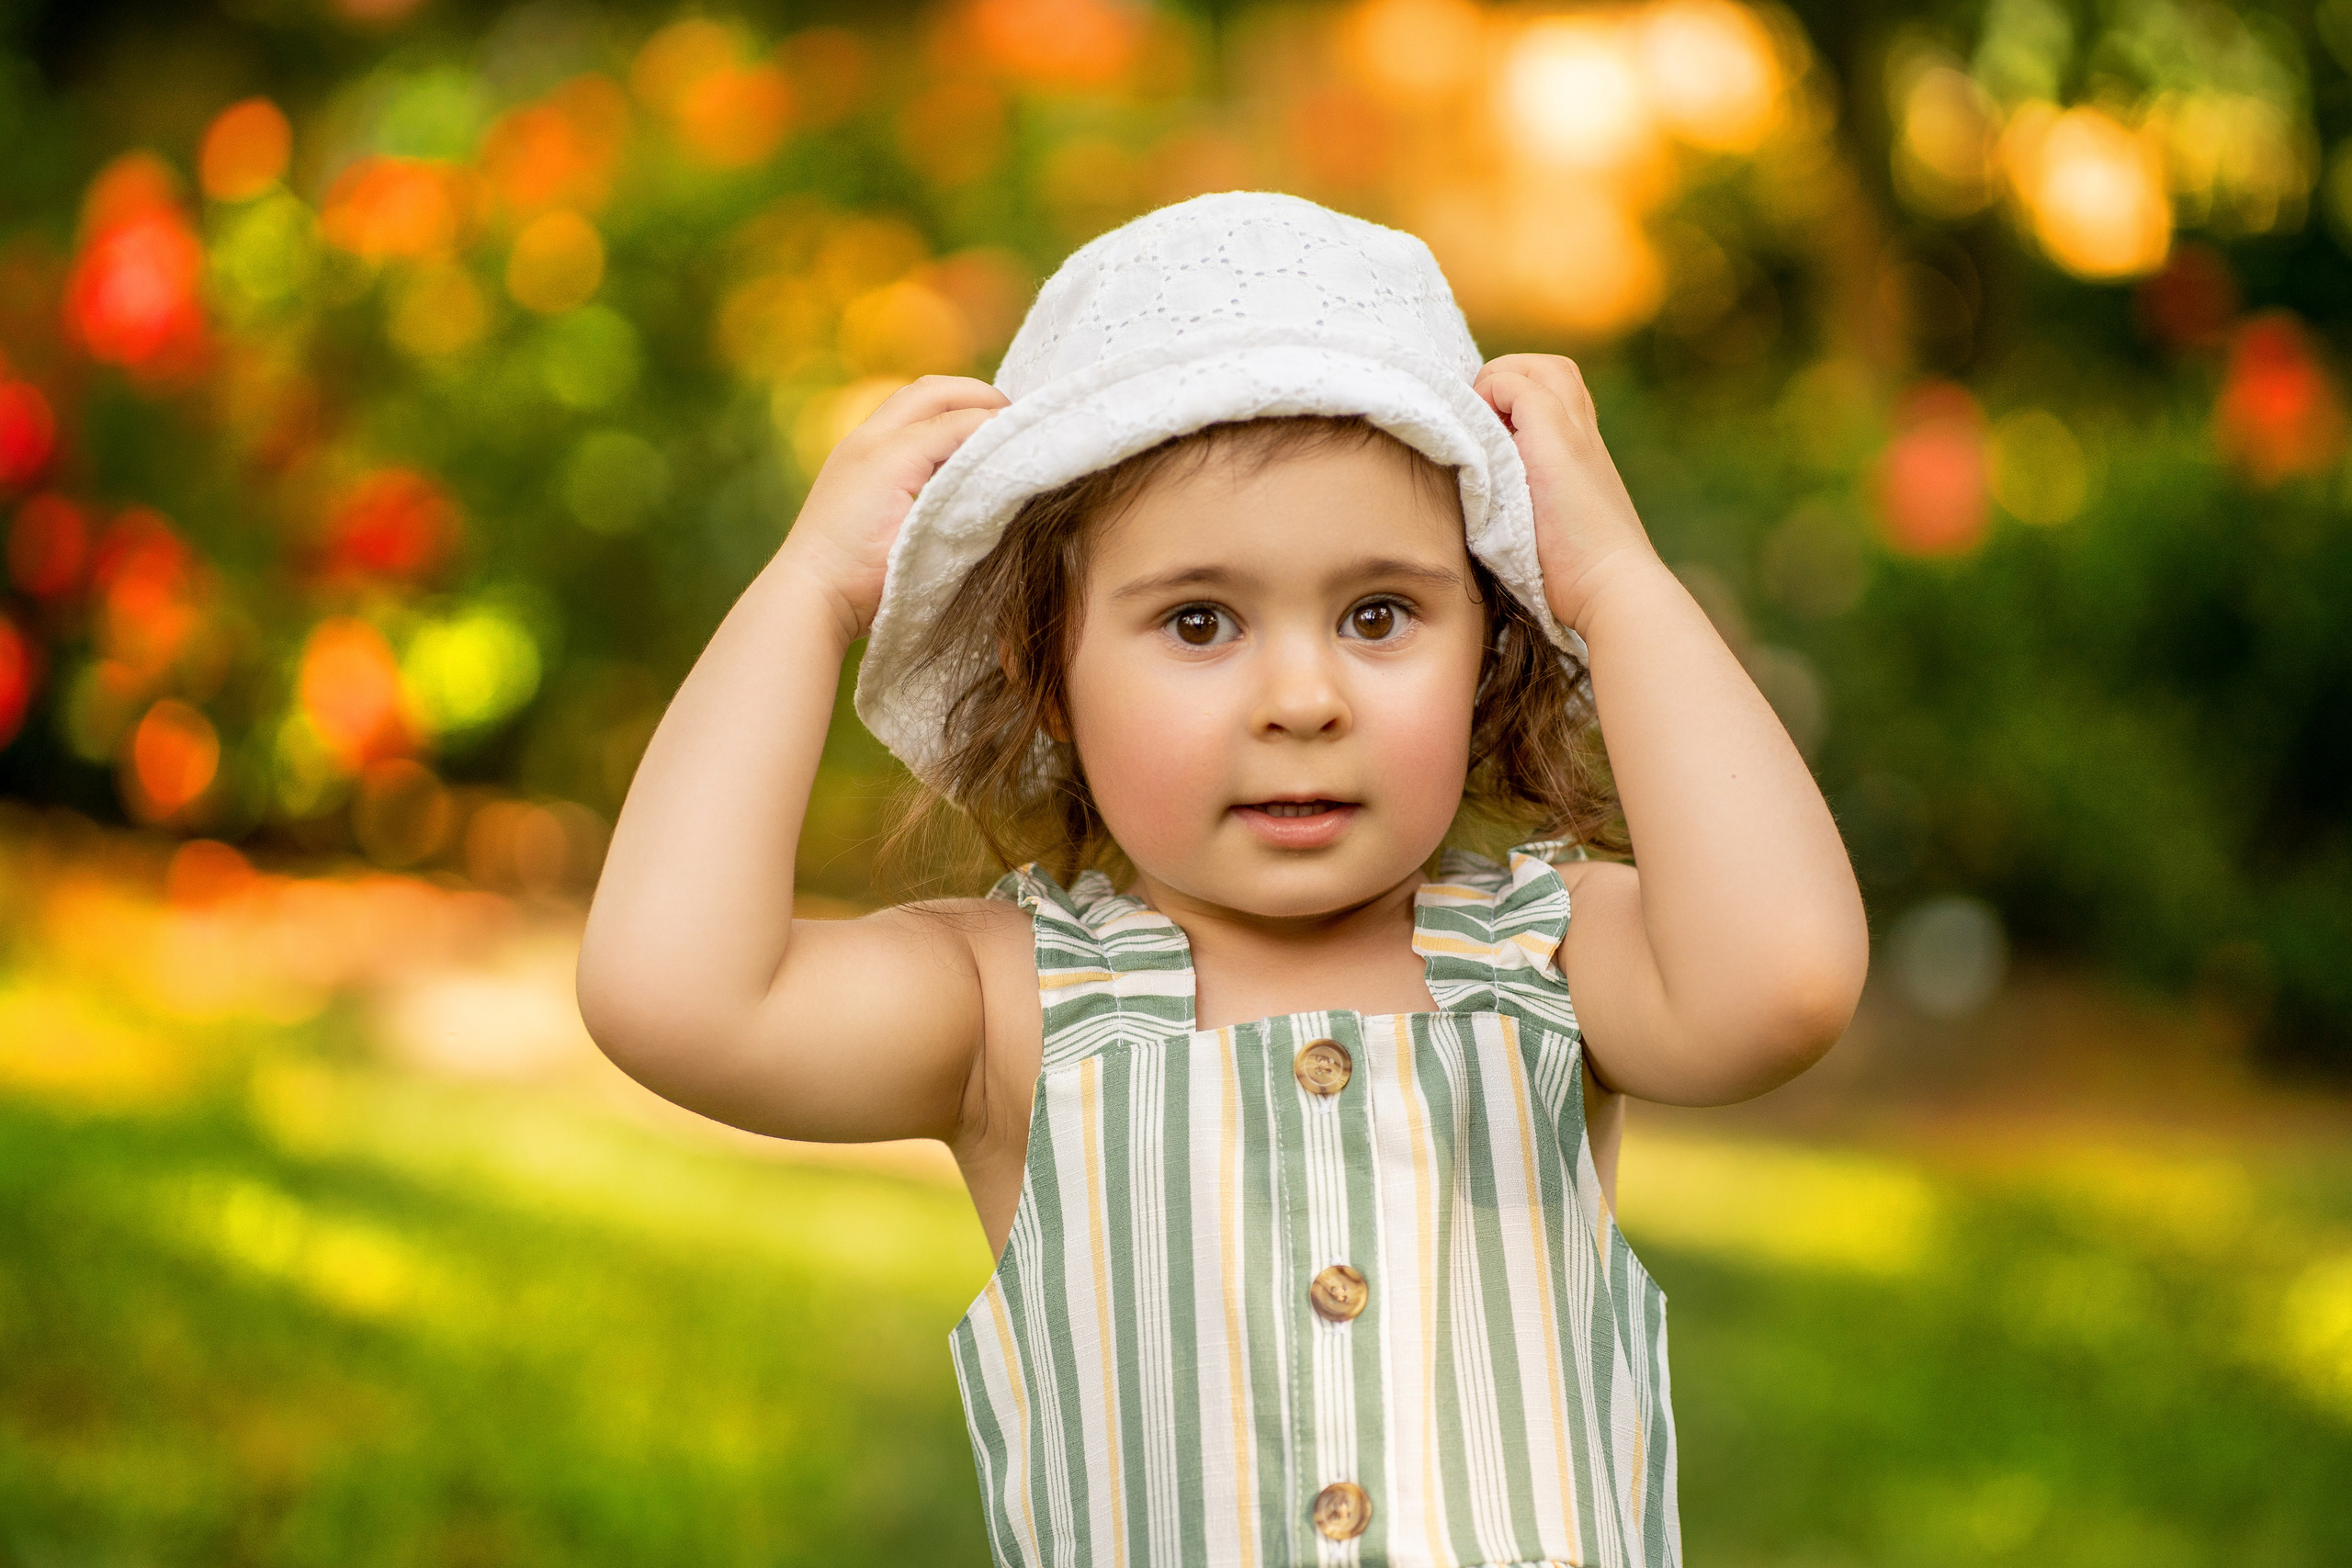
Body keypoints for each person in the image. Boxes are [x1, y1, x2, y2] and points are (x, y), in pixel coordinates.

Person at [578, 192, 1868, 1568]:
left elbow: (1784, 981)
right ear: (1050, 681)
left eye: (1381, 614)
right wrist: (813, 588)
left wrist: (1611, 576)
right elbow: (674, 995)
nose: (1304, 697)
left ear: (1486, 648)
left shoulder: (1550, 957)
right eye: (1199, 621)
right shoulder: (1011, 1007)